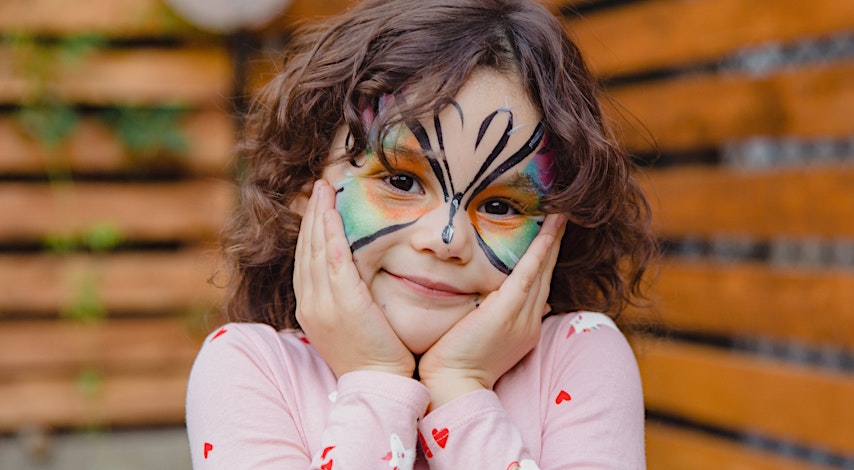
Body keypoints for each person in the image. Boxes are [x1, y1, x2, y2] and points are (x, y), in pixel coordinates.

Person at [186, 0, 657, 468]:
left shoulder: (578, 357)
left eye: (498, 206)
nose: (446, 237)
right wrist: (375, 380)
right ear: (306, 188)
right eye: (401, 181)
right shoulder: (249, 368)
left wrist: (461, 386)